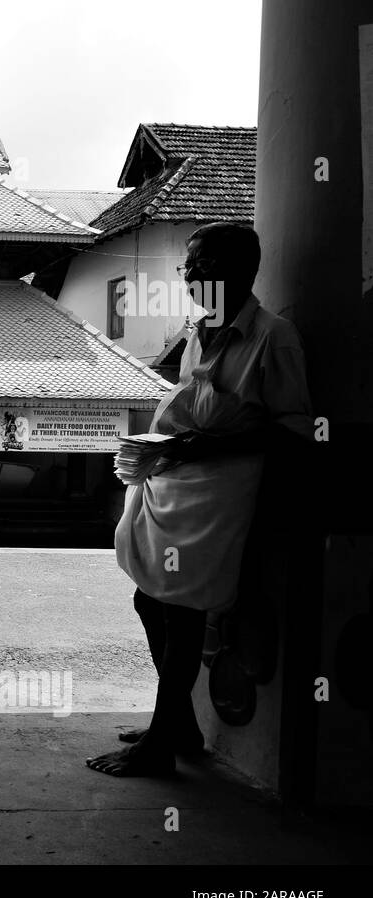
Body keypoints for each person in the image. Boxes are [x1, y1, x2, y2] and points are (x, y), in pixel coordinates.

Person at [95, 223, 313, 777]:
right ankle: (181, 724)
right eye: (187, 264)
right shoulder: (199, 332)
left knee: (183, 611)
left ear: (243, 271)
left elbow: (293, 430)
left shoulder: (275, 336)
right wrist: (172, 445)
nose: (190, 273)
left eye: (202, 262)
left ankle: (163, 745)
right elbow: (195, 404)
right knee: (151, 600)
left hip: (228, 489)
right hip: (185, 476)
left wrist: (199, 442)